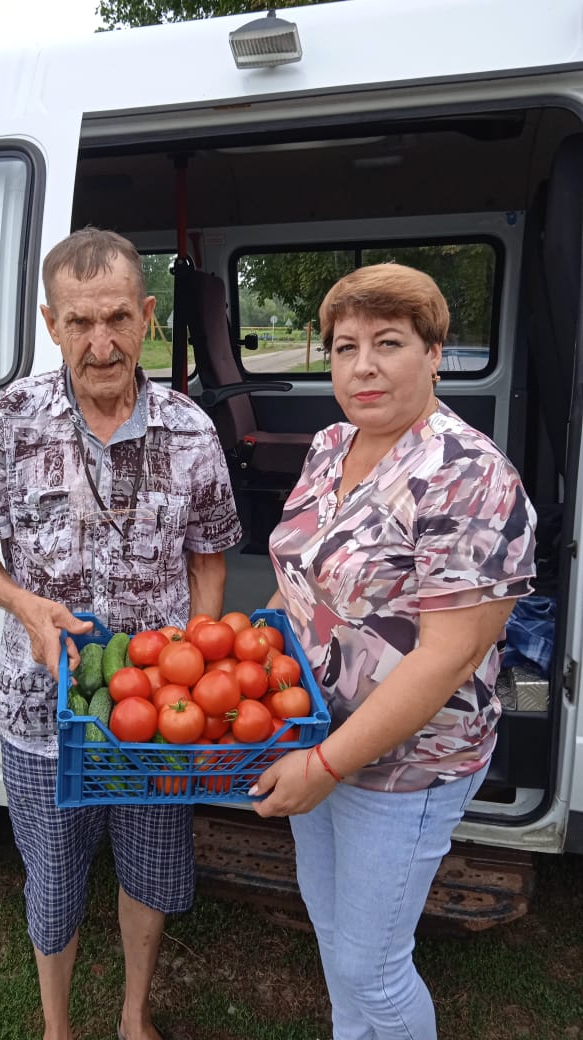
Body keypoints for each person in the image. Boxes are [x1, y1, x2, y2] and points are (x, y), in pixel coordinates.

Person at [0, 227, 242, 1040]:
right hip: (40, 716)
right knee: (51, 881)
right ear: (51, 323)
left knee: (150, 873)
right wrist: (24, 605)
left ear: (148, 316)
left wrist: (197, 650)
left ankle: (133, 1016)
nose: (101, 342)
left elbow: (210, 554)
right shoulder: (7, 420)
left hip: (155, 717)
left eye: (117, 317)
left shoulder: (190, 430)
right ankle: (57, 1028)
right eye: (79, 322)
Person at [250, 263, 536, 1040]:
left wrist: (326, 765)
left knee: (372, 969)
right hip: (317, 730)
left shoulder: (467, 477)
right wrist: (250, 644)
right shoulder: (331, 445)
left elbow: (444, 659)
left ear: (435, 352)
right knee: (340, 946)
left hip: (405, 763)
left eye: (389, 342)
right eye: (345, 348)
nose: (363, 366)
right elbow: (302, 575)